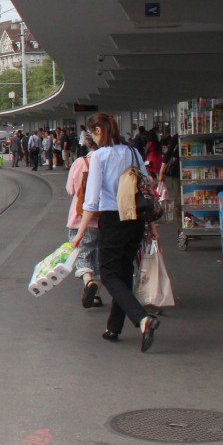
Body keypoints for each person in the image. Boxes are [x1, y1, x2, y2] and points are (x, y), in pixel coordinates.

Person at [72, 112, 161, 352]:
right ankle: (113, 327)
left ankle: (142, 319)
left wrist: (79, 234)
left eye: (91, 133)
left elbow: (91, 202)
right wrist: (151, 224)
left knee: (109, 275)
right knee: (123, 273)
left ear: (98, 131)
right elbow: (147, 188)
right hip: (136, 220)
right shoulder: (132, 151)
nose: (91, 138)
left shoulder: (99, 157)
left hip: (113, 219)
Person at [66, 133, 101, 308]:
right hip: (104, 218)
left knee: (82, 254)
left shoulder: (81, 162)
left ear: (88, 143)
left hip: (80, 218)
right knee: (99, 257)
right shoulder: (106, 161)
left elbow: (71, 190)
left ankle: (89, 283)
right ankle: (96, 295)